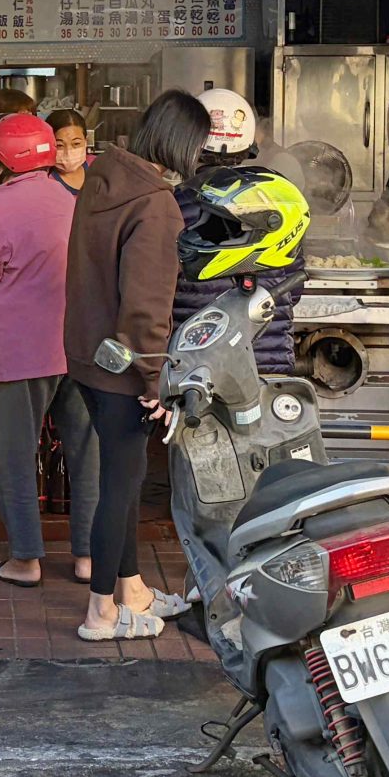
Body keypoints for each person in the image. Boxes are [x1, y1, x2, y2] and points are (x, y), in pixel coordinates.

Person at [63, 89, 209, 641]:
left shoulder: (102, 181)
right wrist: (155, 380)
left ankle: (133, 590)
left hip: (87, 358)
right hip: (125, 367)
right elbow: (146, 306)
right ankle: (101, 612)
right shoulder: (155, 203)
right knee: (120, 488)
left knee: (122, 477)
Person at [0, 112, 97, 591]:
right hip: (78, 346)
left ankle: (25, 560)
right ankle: (88, 557)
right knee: (85, 453)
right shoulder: (75, 200)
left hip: (19, 354)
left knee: (14, 456)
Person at [169, 86, 310, 378]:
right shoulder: (280, 199)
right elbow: (293, 290)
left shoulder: (175, 203)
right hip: (267, 365)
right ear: (248, 146)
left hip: (197, 365)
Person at [47, 108, 91, 188]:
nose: (68, 153)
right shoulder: (46, 183)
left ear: (86, 141)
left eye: (76, 143)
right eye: (59, 145)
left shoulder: (98, 166)